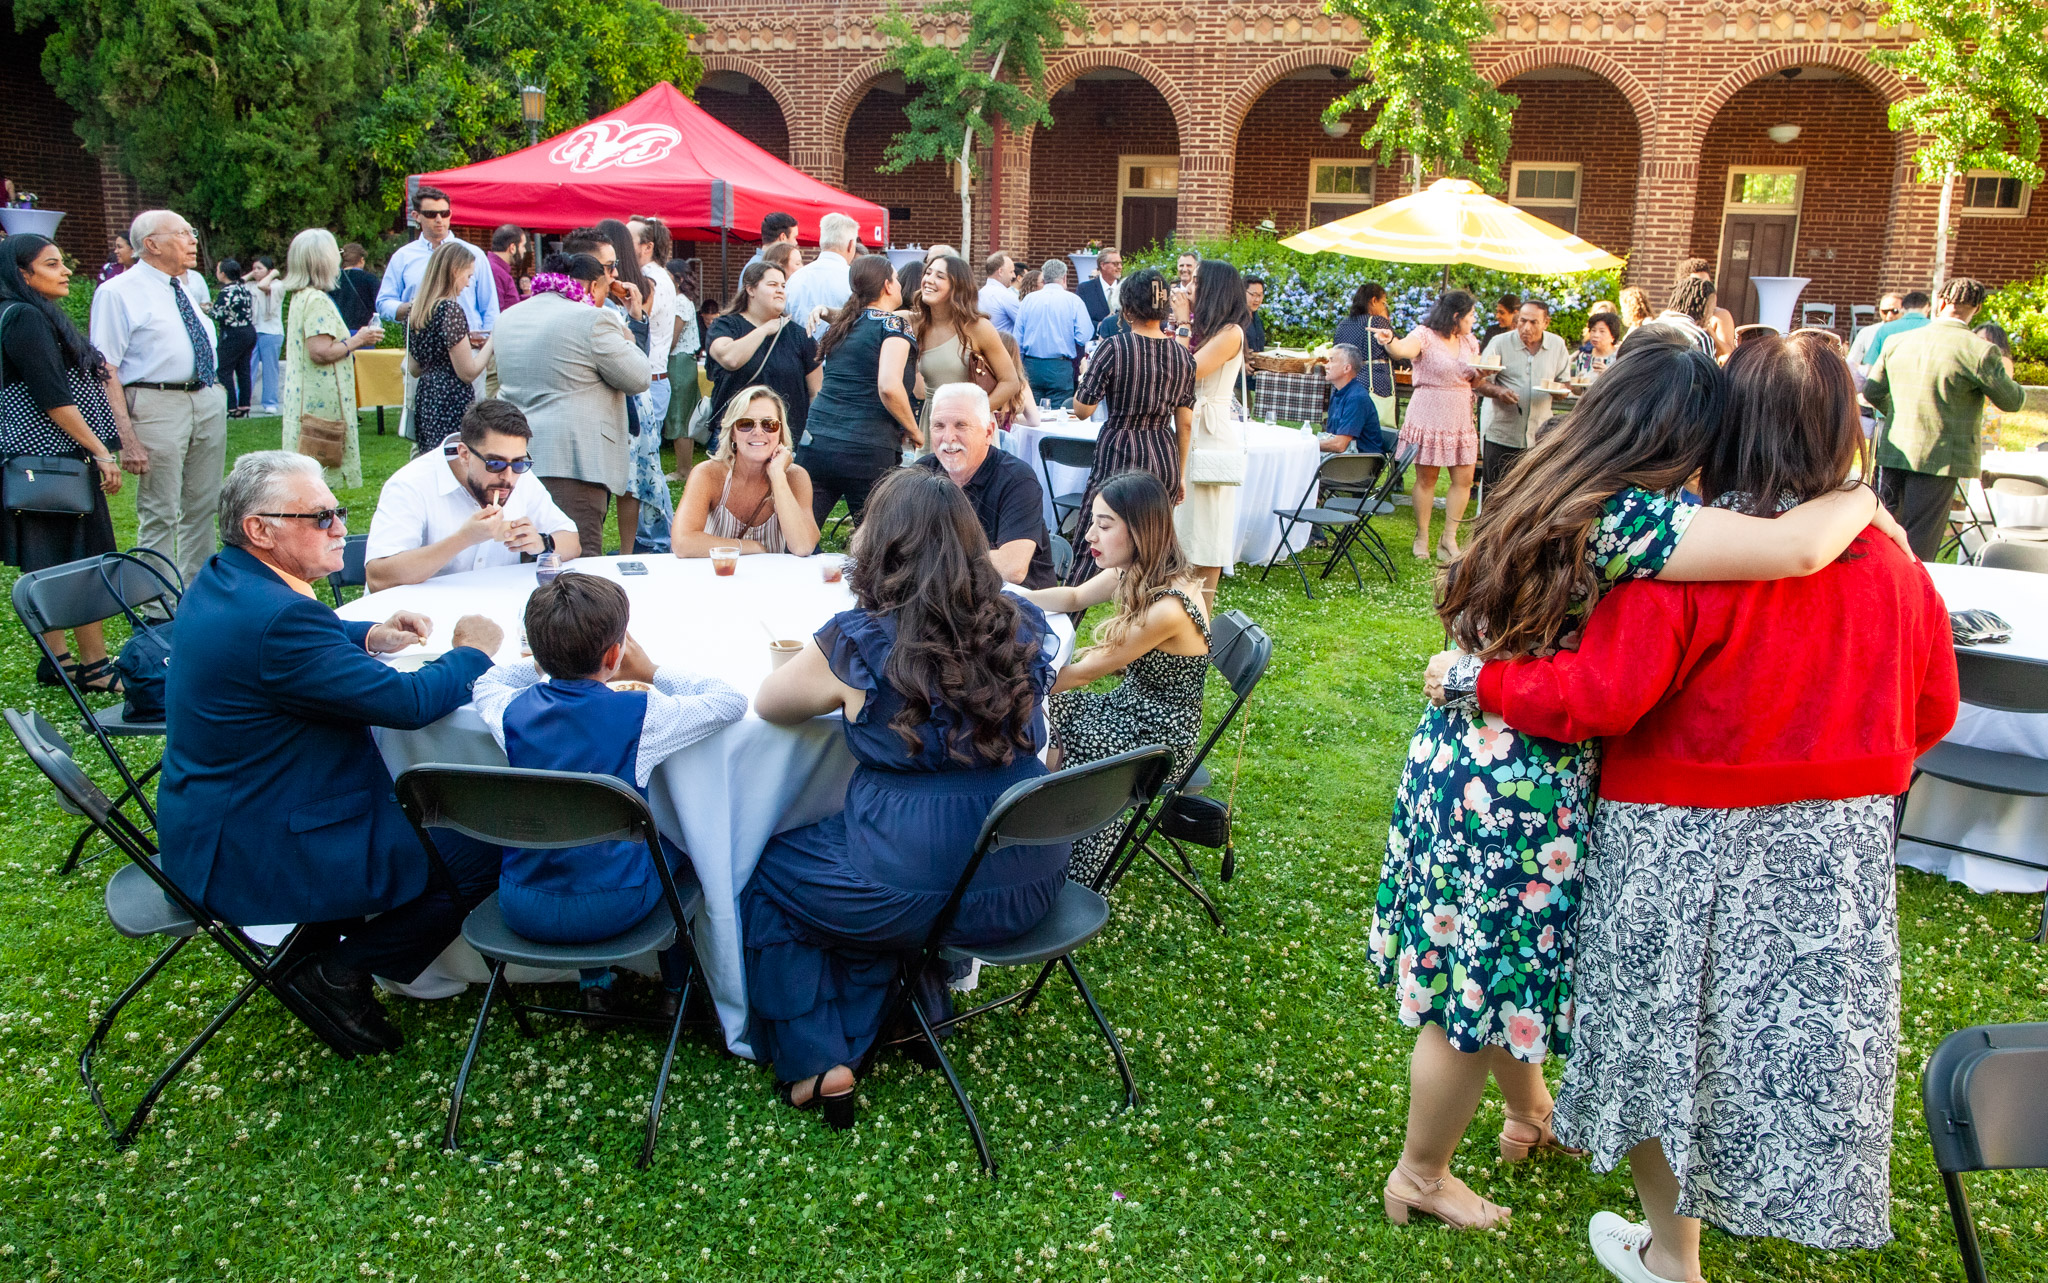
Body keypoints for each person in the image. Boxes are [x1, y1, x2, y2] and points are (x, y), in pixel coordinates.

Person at [1438, 333, 1957, 1276]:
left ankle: (1674, 1252)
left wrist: (1483, 684)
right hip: (1832, 851)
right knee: (1780, 1044)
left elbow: (1602, 695)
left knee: (1661, 1045)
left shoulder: (1687, 565)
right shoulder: (1893, 568)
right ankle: (1741, 1210)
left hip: (1675, 842)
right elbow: (1935, 707)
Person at [742, 468, 1069, 1127]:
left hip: (920, 883)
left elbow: (771, 704)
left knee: (774, 873)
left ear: (881, 546)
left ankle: (816, 1058)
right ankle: (913, 1008)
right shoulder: (1022, 622)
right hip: (1030, 873)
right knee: (875, 883)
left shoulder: (863, 638)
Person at [156, 452, 506, 1057]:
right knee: (487, 839)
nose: (341, 527)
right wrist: (473, 652)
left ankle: (328, 948)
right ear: (259, 529)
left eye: (338, 512)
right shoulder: (281, 620)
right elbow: (409, 702)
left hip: (213, 818)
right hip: (260, 845)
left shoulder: (226, 580)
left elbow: (287, 636)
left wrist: (366, 634)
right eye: (320, 517)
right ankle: (340, 974)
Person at [473, 574, 746, 1015]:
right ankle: (676, 987)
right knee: (682, 847)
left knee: (572, 839)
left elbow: (486, 682)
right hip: (615, 906)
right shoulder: (641, 714)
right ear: (616, 654)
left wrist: (543, 663)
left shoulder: (511, 712)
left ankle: (595, 984)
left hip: (522, 902)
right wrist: (652, 670)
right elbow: (730, 701)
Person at [1020, 470, 1208, 882]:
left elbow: (1086, 672)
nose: (1089, 535)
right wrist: (1006, 597)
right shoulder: (1135, 568)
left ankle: (1069, 870)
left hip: (1161, 734)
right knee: (1049, 710)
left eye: (1104, 525)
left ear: (1140, 530)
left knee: (1069, 736)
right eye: (1093, 522)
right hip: (1130, 704)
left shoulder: (1168, 606)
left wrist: (1009, 684)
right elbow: (1072, 596)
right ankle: (1036, 831)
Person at [0, 235, 127, 692]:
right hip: (54, 461)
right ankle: (92, 667)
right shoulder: (25, 318)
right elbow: (54, 400)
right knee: (76, 562)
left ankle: (60, 662)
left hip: (42, 461)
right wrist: (101, 450)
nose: (65, 270)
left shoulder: (23, 315)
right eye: (51, 264)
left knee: (49, 562)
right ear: (22, 274)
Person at [88, 209, 228, 589]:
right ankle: (156, 603)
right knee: (160, 509)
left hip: (204, 398)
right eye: (183, 233)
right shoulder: (118, 292)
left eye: (191, 232)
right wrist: (127, 438)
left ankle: (198, 591)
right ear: (151, 244)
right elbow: (107, 369)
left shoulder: (180, 286)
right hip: (156, 402)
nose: (192, 241)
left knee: (203, 505)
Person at [493, 253, 649, 558]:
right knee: (577, 565)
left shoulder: (508, 316)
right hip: (575, 464)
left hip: (514, 461)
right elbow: (639, 376)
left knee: (523, 559)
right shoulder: (592, 319)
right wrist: (630, 332)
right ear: (592, 287)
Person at [1867, 276, 2027, 558]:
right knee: (1920, 540)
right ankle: (1914, 598)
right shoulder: (1979, 350)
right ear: (1976, 309)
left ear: (1940, 302)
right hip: (1941, 457)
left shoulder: (1896, 340)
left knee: (1884, 530)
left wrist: (1901, 412)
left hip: (1895, 449)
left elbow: (1872, 391)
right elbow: (2012, 400)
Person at [364, 398, 580, 589]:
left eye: (519, 463)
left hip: (491, 609)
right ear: (464, 454)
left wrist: (543, 543)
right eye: (494, 463)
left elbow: (572, 541)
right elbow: (379, 577)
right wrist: (463, 539)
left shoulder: (519, 478)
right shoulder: (412, 484)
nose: (508, 477)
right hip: (416, 618)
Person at [1066, 268, 1195, 580]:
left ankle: (1066, 621)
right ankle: (1151, 620)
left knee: (1093, 537)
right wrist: (1179, 472)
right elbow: (1186, 423)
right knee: (1152, 549)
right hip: (1162, 453)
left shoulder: (1114, 347)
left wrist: (1087, 376)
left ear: (1125, 308)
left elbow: (1083, 409)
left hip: (1120, 450)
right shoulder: (1182, 356)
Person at [797, 254, 919, 526]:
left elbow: (856, 317)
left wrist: (825, 310)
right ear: (888, 285)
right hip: (867, 447)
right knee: (875, 538)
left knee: (799, 536)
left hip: (817, 440)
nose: (899, 285)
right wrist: (913, 428)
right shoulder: (894, 325)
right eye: (897, 280)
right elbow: (889, 386)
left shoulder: (846, 323)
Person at [376, 186, 499, 438]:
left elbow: (490, 308)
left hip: (468, 350)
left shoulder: (472, 254)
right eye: (432, 214)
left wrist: (487, 341)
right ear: (416, 216)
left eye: (445, 213)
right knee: (434, 435)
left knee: (469, 431)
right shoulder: (404, 257)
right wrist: (413, 309)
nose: (439, 219)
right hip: (429, 359)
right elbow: (384, 302)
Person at [913, 383, 1053, 587]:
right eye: (939, 426)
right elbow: (873, 539)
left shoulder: (1017, 479)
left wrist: (925, 555)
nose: (948, 437)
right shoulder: (922, 472)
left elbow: (1012, 567)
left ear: (988, 433)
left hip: (1013, 603)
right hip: (944, 594)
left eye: (961, 425)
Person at [1383, 290, 1483, 562]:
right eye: (1471, 315)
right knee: (1427, 479)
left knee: (1463, 480)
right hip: (1428, 411)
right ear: (1456, 316)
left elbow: (1475, 378)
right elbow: (1402, 350)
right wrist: (1390, 340)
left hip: (1460, 415)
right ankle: (1422, 535)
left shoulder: (1470, 341)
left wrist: (1485, 375)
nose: (1474, 320)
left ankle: (1448, 538)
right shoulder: (1425, 335)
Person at [281, 229, 384, 491]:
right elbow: (321, 352)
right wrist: (359, 339)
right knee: (317, 477)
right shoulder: (316, 300)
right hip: (321, 404)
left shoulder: (300, 296)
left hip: (303, 398)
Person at [1178, 258, 1252, 609]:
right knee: (1181, 523)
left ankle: (1202, 615)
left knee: (1207, 528)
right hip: (1189, 429)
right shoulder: (1207, 331)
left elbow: (1186, 370)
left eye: (1195, 282)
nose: (1188, 289)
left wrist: (1180, 322)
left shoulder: (1231, 333)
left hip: (1210, 434)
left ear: (1212, 289)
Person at [671, 385, 820, 557]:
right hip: (717, 579)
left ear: (780, 432)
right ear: (732, 433)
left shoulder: (795, 477)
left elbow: (804, 546)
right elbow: (683, 543)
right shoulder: (708, 474)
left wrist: (778, 476)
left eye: (769, 424)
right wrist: (752, 547)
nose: (758, 432)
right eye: (746, 424)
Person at [706, 259, 821, 456]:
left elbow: (816, 391)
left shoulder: (799, 335)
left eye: (783, 286)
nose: (780, 291)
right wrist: (765, 329)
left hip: (784, 440)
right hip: (735, 437)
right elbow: (730, 359)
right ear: (750, 290)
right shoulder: (726, 326)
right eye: (772, 285)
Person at [910, 253, 1022, 431]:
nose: (929, 280)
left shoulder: (978, 328)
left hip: (969, 429)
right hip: (932, 424)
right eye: (928, 273)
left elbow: (1010, 382)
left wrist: (972, 416)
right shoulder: (915, 324)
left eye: (939, 276)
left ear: (958, 287)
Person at [404, 239, 492, 459]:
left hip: (426, 394)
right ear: (454, 271)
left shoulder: (416, 310)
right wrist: (492, 342)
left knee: (431, 461)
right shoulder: (450, 310)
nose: (468, 283)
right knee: (455, 460)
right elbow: (468, 372)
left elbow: (414, 367)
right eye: (468, 276)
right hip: (451, 398)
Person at [1477, 298, 1570, 492]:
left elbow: (1565, 382)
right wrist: (1499, 391)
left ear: (1546, 322)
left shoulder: (1557, 345)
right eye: (1522, 321)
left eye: (1533, 322)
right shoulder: (1500, 342)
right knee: (1494, 494)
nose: (1526, 327)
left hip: (1540, 436)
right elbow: (1479, 382)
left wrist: (1559, 392)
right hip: (1502, 434)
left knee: (1529, 495)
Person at [628, 216, 681, 553]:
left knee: (648, 467)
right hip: (654, 379)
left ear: (646, 247)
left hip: (649, 382)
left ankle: (662, 539)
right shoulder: (656, 277)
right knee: (647, 464)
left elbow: (637, 323)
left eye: (627, 239)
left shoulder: (649, 279)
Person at [1015, 258, 1094, 408]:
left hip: (1031, 364)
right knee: (1059, 412)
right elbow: (1084, 336)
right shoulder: (1073, 301)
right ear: (1064, 277)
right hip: (1060, 365)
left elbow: (1017, 338)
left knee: (1031, 410)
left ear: (1043, 278)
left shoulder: (1028, 300)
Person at [1334, 281, 1398, 434]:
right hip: (1374, 386)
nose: (1384, 308)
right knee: (1374, 432)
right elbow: (1398, 351)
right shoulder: (1377, 321)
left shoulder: (1343, 324)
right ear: (1373, 301)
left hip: (1346, 384)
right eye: (1383, 303)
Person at [784, 212, 858, 337]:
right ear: (851, 245)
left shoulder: (794, 279)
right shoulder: (854, 279)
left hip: (798, 354)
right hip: (840, 353)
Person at [663, 257, 703, 448]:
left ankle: (683, 469)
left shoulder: (679, 302)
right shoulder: (683, 301)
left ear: (678, 279)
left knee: (681, 414)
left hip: (679, 361)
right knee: (684, 413)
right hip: (684, 361)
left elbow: (672, 339)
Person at [210, 258, 257, 420]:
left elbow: (219, 314)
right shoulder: (244, 289)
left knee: (224, 370)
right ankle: (244, 406)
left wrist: (208, 309)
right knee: (243, 370)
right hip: (249, 332)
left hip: (233, 333)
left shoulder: (226, 291)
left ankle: (230, 406)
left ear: (223, 274)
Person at [1319, 344, 1384, 454]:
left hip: (1359, 463)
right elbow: (1332, 437)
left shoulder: (1356, 398)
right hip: (1343, 458)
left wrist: (1308, 445)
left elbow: (1339, 445)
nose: (1326, 366)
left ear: (1347, 368)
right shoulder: (1339, 393)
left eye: (1331, 361)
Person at [246, 256, 286, 414]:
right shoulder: (250, 285)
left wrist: (272, 274)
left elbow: (264, 286)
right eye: (253, 268)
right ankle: (243, 401)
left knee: (271, 369)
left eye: (259, 268)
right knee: (248, 367)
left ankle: (270, 402)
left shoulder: (278, 285)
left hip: (271, 332)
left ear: (269, 271)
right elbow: (236, 283)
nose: (255, 271)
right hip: (253, 331)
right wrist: (251, 275)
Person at [1679, 257, 1737, 357]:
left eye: (1707, 282)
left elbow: (1728, 355)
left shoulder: (1719, 315)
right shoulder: (1675, 316)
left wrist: (1708, 329)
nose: (1703, 288)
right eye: (1697, 283)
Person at [1863, 288, 1932, 366]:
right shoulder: (1934, 328)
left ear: (1903, 308)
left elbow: (1872, 363)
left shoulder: (1885, 329)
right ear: (1928, 308)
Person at [1653, 277, 1717, 359]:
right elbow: (1707, 371)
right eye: (1712, 309)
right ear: (1702, 307)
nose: (1711, 314)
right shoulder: (1699, 337)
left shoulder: (1647, 327)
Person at [1847, 291, 1904, 383]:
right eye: (1885, 311)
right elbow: (1852, 363)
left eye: (1894, 311)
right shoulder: (1867, 332)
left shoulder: (1910, 333)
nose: (1889, 315)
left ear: (1904, 310)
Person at [331, 243, 380, 333]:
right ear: (361, 260)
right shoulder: (370, 279)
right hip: (364, 332)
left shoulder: (333, 280)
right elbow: (378, 304)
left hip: (338, 332)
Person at [1569, 312, 1623, 386]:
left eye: (1602, 331)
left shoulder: (1620, 357)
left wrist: (1608, 375)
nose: (1596, 335)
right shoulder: (1584, 356)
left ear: (1613, 336)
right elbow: (1578, 391)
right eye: (1593, 330)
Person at [1075, 247, 1121, 328]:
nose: (1120, 267)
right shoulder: (1085, 289)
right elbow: (1080, 319)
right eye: (1115, 264)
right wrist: (1101, 325)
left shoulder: (1126, 288)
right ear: (1103, 265)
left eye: (1120, 263)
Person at [979, 252, 1021, 336]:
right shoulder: (1006, 296)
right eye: (1011, 271)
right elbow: (1024, 323)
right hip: (1004, 346)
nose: (1014, 276)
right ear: (1000, 271)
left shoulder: (979, 294)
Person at [488, 224, 527, 314]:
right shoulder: (495, 271)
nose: (524, 250)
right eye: (523, 246)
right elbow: (497, 311)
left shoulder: (496, 269)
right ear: (512, 248)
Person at [1242, 276, 1267, 353]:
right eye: (1253, 295)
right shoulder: (1235, 319)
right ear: (1242, 292)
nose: (1257, 300)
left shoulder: (1257, 319)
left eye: (1260, 295)